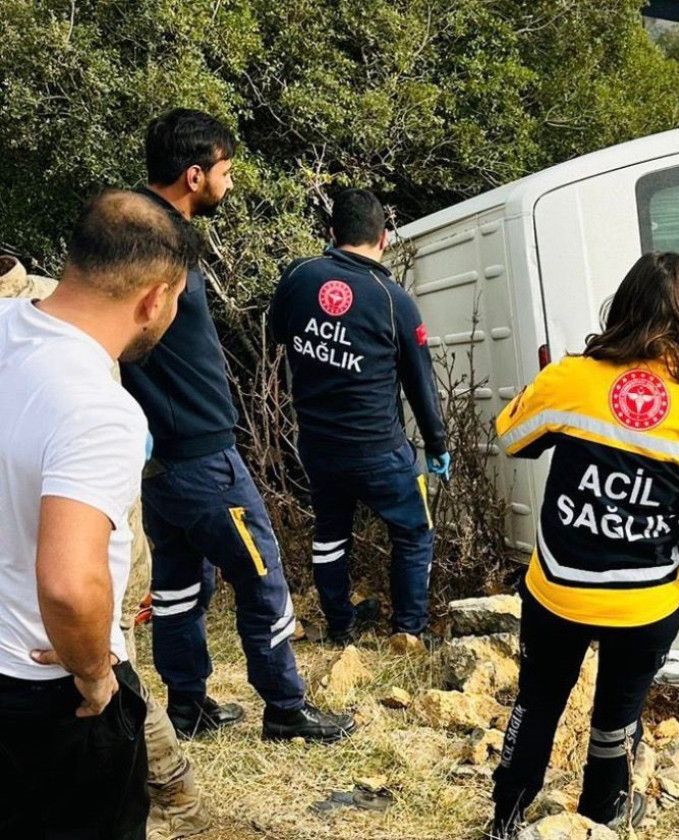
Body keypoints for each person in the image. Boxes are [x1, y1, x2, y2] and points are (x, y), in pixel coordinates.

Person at [487, 252, 679, 837]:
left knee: (537, 702)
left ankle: (506, 817)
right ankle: (601, 812)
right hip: (644, 604)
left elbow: (511, 436)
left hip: (559, 589)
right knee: (617, 718)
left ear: (623, 308)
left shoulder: (572, 380)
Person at [121, 108, 353, 743]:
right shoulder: (161, 241)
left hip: (161, 462)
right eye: (225, 170)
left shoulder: (136, 233)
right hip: (200, 456)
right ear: (194, 175)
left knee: (179, 582)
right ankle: (285, 707)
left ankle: (187, 704)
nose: (229, 181)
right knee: (261, 572)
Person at [0, 190, 195, 839]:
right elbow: (68, 582)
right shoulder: (97, 406)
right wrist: (92, 674)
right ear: (154, 299)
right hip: (46, 697)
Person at [269, 188, 449, 646]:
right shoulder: (393, 300)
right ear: (384, 238)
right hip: (379, 450)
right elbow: (420, 383)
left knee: (331, 534)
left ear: (331, 232)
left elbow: (279, 334)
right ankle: (409, 630)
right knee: (415, 531)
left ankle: (340, 627)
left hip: (318, 446)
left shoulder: (299, 276)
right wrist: (437, 444)